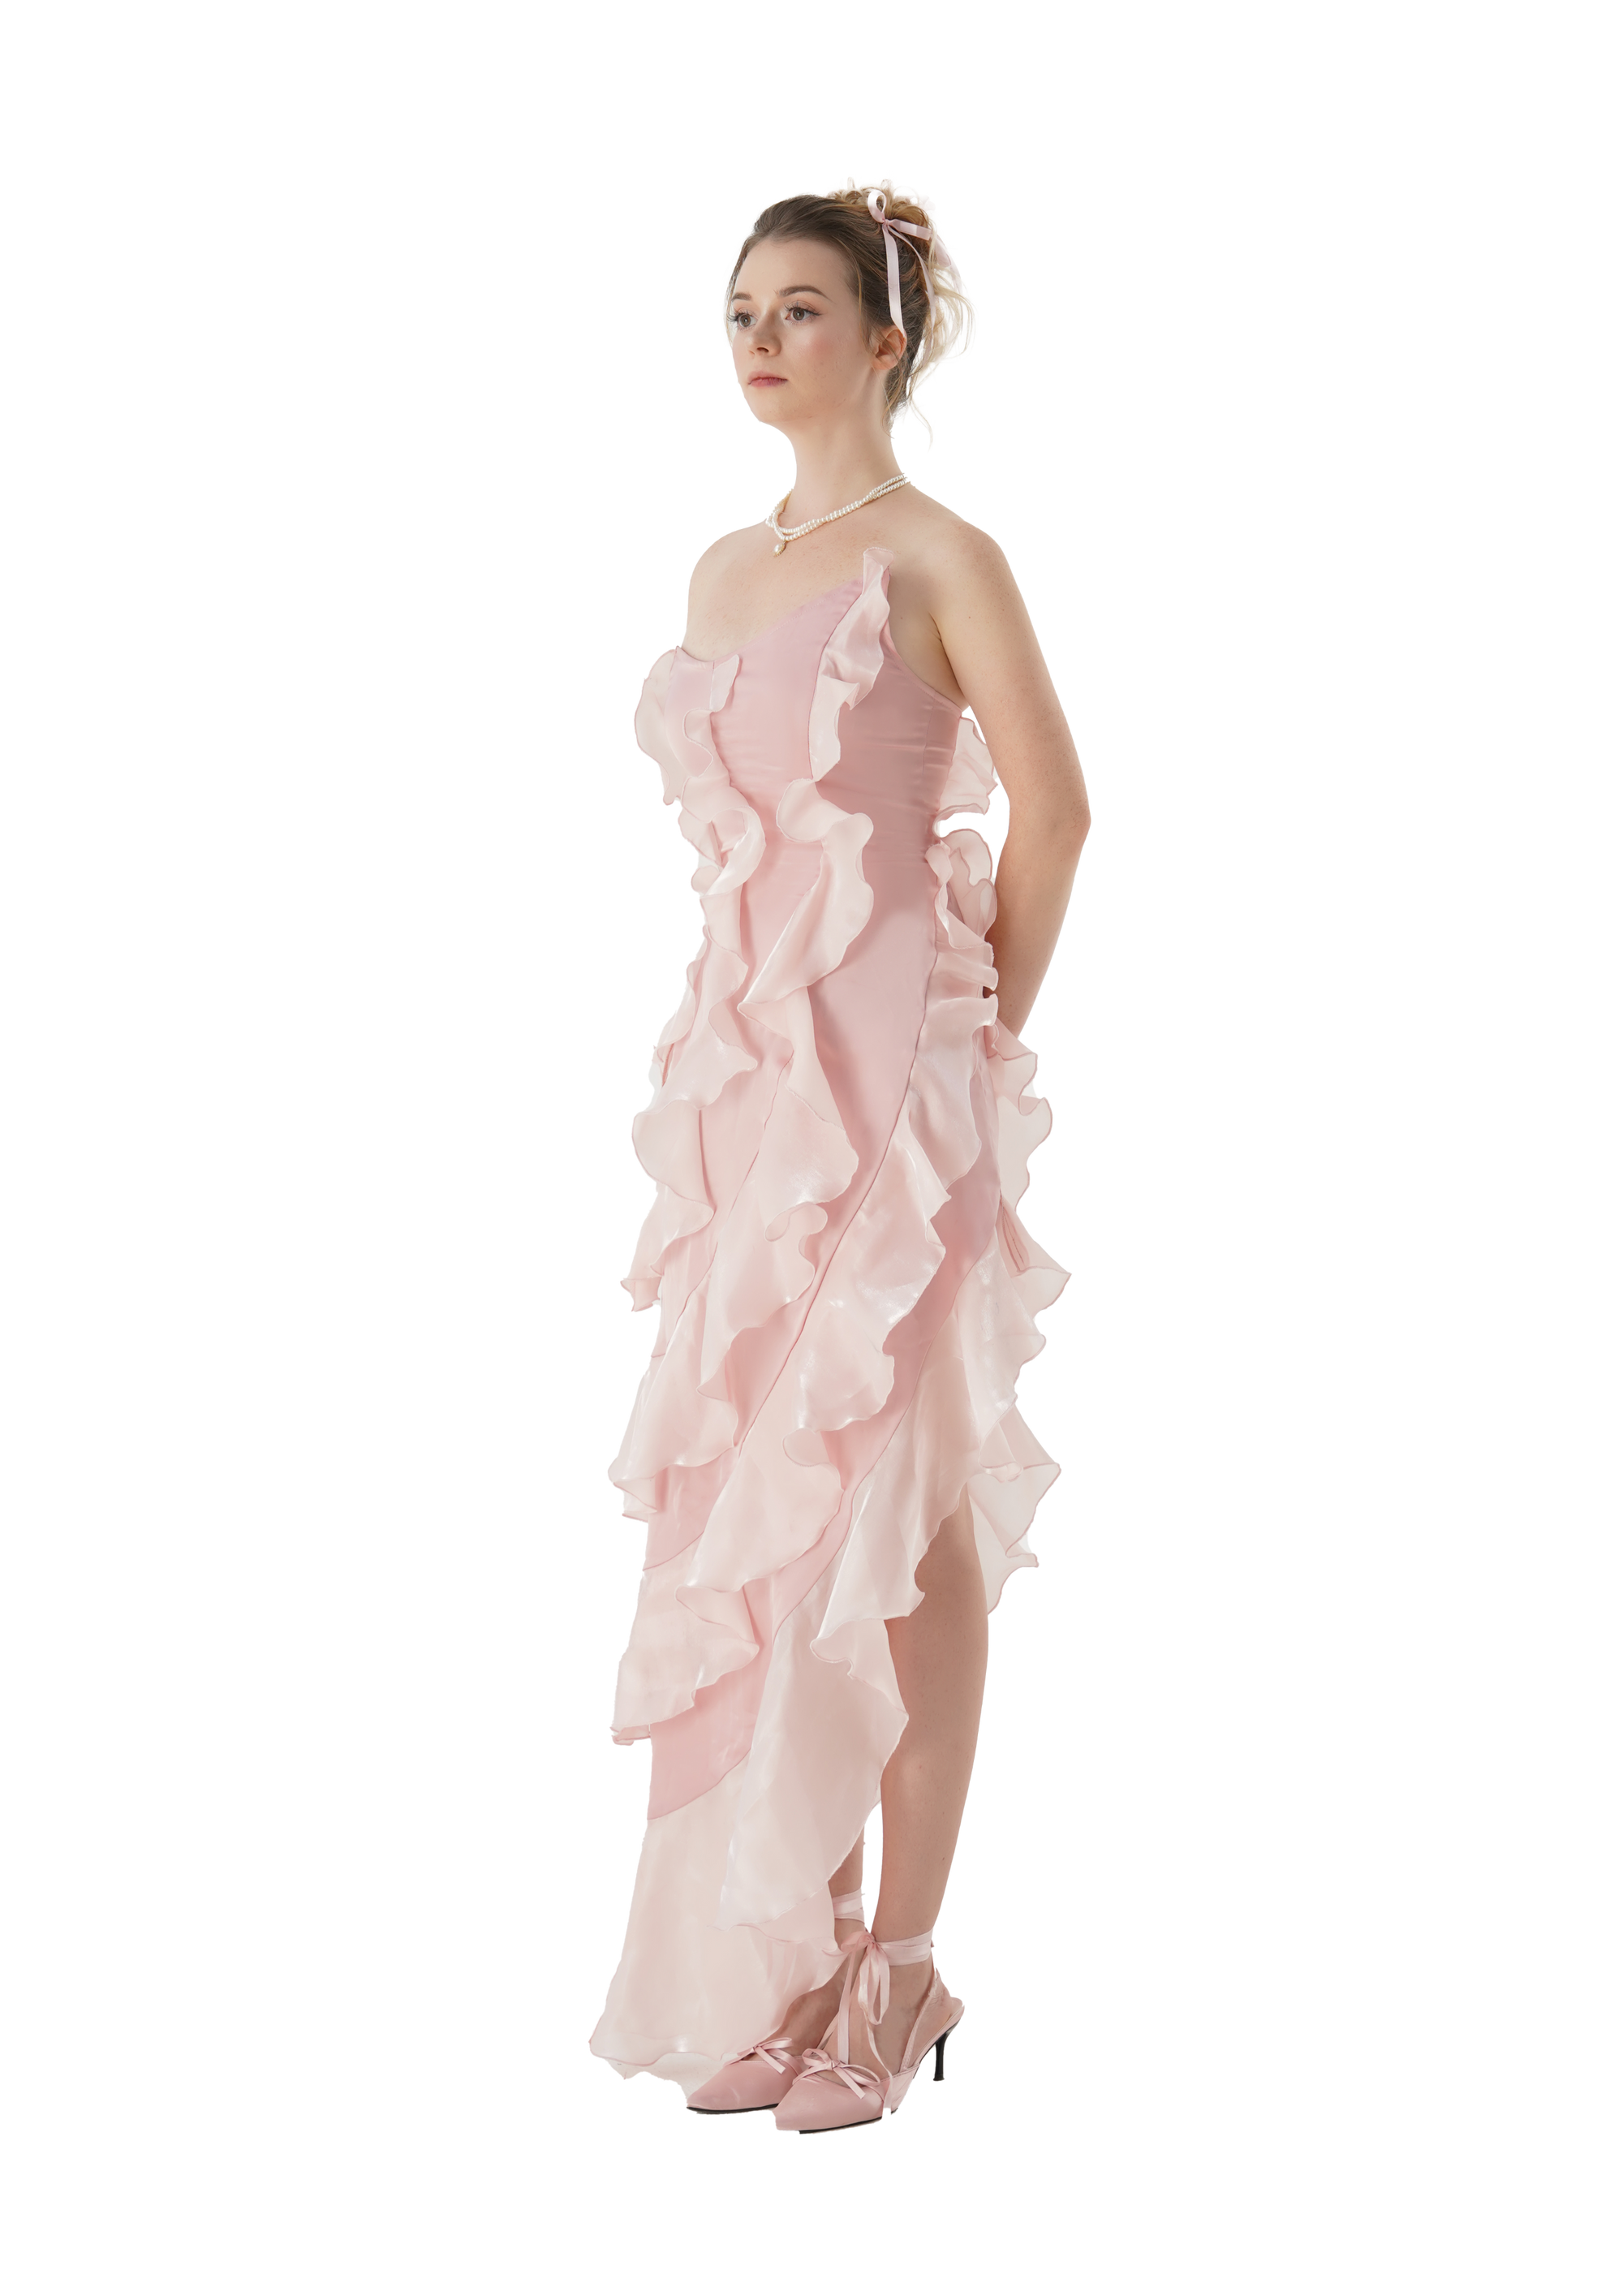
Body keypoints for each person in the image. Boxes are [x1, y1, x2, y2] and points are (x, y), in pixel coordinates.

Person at [586, 170, 1092, 2135]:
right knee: (771, 1511)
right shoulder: (723, 570)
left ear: (887, 340)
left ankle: (906, 1958)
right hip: (747, 1097)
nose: (758, 340)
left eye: (797, 310)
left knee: (905, 1511)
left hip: (899, 1087)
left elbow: (1055, 807)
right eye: (741, 311)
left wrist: (984, 1035)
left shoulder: (945, 552)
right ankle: (791, 1954)